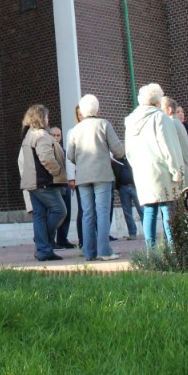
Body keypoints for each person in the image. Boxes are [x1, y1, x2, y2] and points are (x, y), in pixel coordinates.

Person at [124, 84, 188, 250]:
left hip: (142, 171)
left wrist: (137, 167)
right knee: (168, 209)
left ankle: (150, 252)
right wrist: (176, 171)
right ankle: (174, 250)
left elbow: (128, 151)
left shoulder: (131, 121)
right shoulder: (160, 117)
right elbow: (169, 147)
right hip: (161, 169)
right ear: (158, 101)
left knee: (149, 210)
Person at [66, 94, 125, 261]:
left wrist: (82, 161)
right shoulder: (103, 124)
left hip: (83, 176)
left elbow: (70, 155)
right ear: (97, 109)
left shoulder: (75, 130)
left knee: (87, 214)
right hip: (102, 174)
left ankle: (89, 252)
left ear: (82, 111)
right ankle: (104, 251)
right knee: (103, 212)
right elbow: (118, 150)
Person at [19, 105, 68, 261]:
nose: (48, 119)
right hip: (44, 181)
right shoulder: (40, 135)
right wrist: (57, 171)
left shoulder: (29, 135)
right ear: (41, 118)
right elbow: (46, 158)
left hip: (33, 183)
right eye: (46, 116)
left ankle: (43, 250)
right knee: (60, 211)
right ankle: (42, 242)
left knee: (39, 216)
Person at [50, 127, 77, 250]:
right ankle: (51, 239)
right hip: (54, 185)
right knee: (56, 213)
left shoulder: (64, 152)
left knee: (67, 212)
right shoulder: (47, 150)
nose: (56, 138)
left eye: (58, 135)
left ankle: (62, 239)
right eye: (53, 135)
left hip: (65, 184)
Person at [160, 96, 188, 188]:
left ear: (169, 110)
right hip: (185, 170)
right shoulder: (177, 123)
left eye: (161, 110)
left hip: (180, 173)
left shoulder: (170, 123)